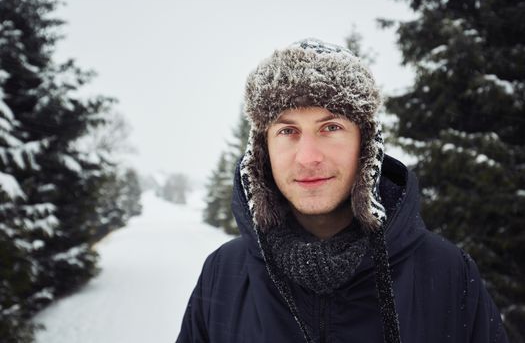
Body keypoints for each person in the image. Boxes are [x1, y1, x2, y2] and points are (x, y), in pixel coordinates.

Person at [176, 39, 508, 343]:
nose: (308, 158)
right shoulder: (224, 273)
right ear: (263, 150)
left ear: (365, 146)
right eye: (288, 130)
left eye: (331, 127)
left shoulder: (447, 273)